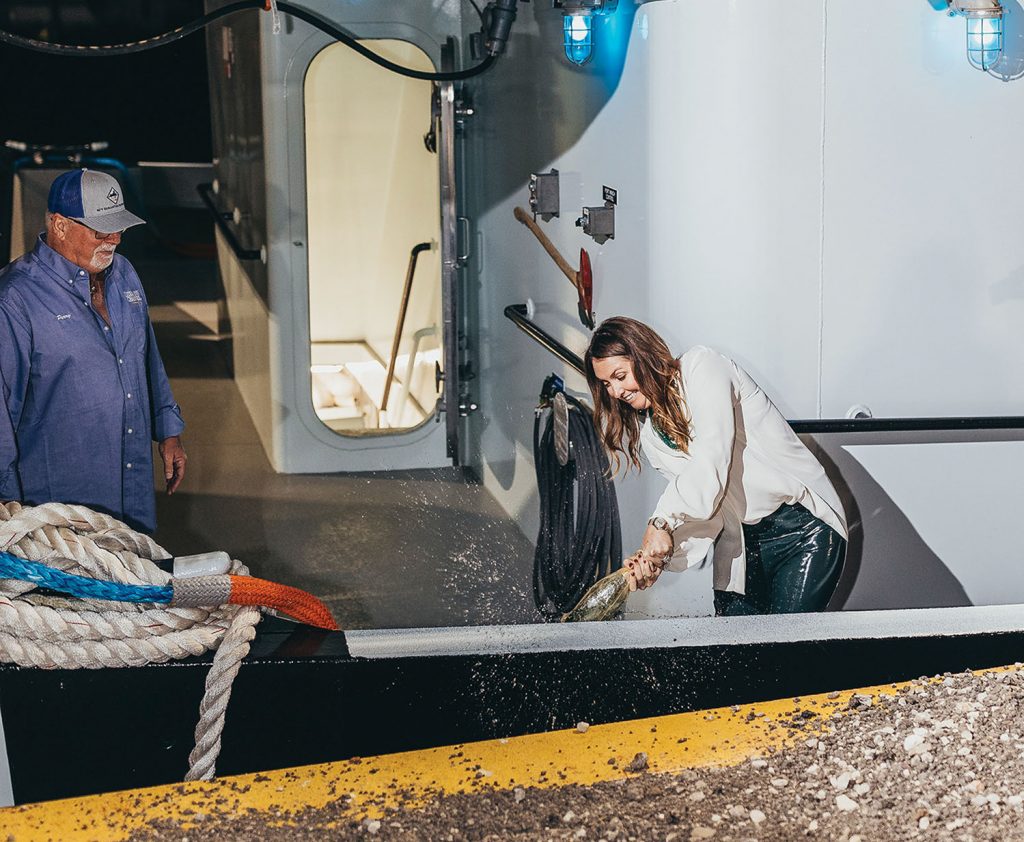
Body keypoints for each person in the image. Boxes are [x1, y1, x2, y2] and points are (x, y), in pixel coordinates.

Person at [585, 316, 847, 615]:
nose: (616, 393)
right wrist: (659, 556)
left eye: (620, 376)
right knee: (732, 656)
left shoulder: (702, 367)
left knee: (784, 656)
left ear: (642, 355)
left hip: (802, 531)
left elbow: (712, 458)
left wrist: (661, 522)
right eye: (606, 384)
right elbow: (707, 510)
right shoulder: (652, 441)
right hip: (741, 549)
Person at [0, 168, 185, 534]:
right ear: (60, 225)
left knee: (133, 578)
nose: (114, 239)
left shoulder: (125, 275)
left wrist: (168, 432)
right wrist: (7, 506)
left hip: (131, 490)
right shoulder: (14, 299)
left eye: (120, 227)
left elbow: (147, 360)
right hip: (59, 506)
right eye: (101, 229)